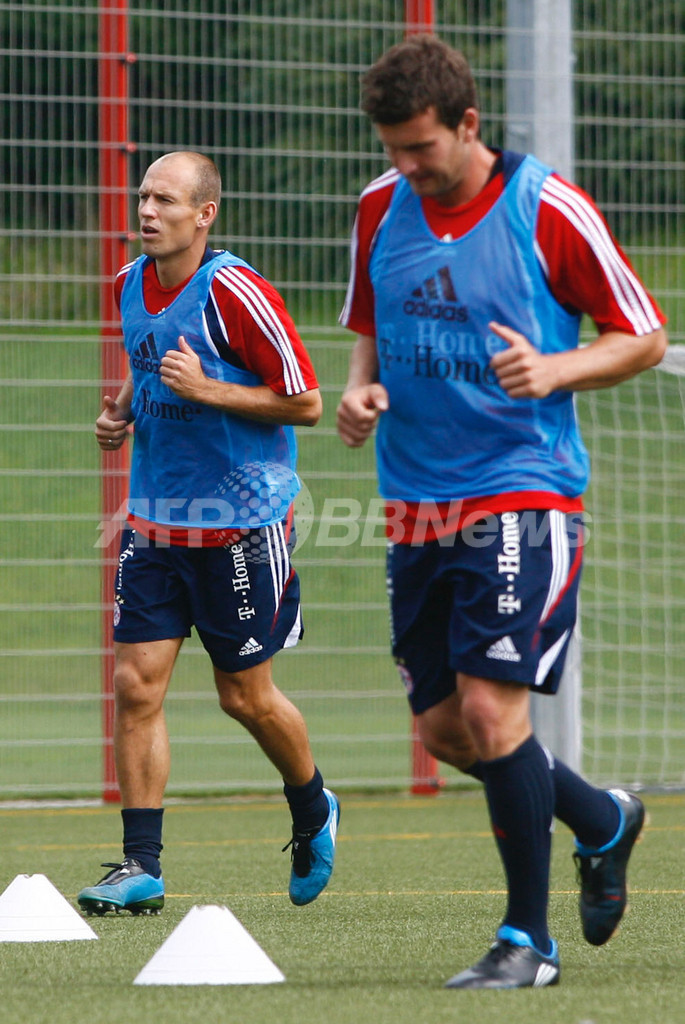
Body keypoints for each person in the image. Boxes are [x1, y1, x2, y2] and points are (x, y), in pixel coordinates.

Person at [337, 36, 667, 989]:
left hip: (523, 488)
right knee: (447, 731)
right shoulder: (378, 206)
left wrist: (555, 368)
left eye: (421, 148)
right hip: (414, 501)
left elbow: (642, 336)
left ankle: (528, 943)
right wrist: (358, 392)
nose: (406, 166)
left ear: (468, 124)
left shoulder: (546, 207)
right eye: (393, 149)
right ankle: (602, 819)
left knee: (491, 708)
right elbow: (369, 324)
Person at [78, 150, 339, 916]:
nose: (147, 211)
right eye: (143, 196)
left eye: (165, 199)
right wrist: (121, 410)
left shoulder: (237, 293)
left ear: (204, 213)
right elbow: (148, 361)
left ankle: (313, 807)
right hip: (155, 525)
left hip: (241, 529)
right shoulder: (128, 284)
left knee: (244, 698)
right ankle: (141, 866)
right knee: (135, 687)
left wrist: (208, 390)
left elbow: (306, 403)